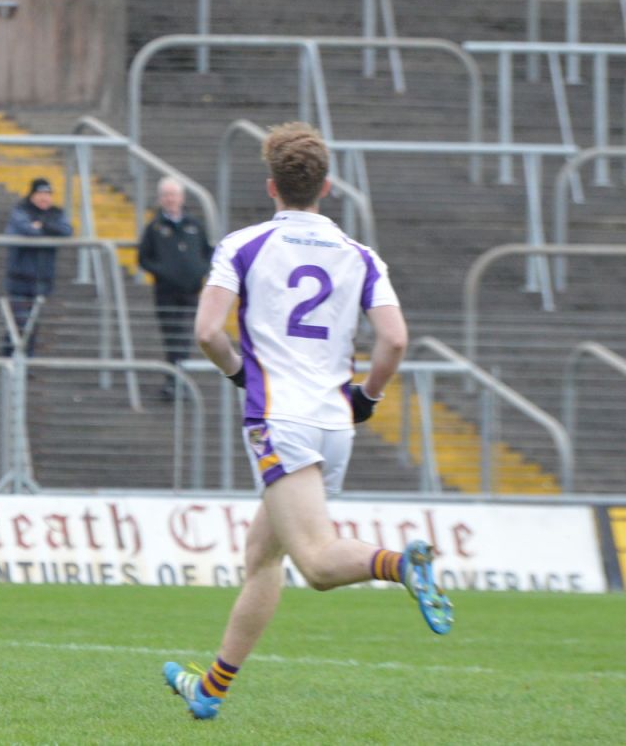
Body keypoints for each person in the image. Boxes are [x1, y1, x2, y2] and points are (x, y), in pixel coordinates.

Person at [162, 122, 451, 722]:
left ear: (272, 187)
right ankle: (210, 690)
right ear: (326, 188)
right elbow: (394, 340)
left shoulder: (244, 245)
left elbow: (207, 332)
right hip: (334, 423)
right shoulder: (360, 256)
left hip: (280, 418)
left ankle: (400, 565)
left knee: (317, 564)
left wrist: (241, 373)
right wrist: (368, 396)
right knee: (263, 556)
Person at [136, 176, 212, 397]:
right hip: (166, 293)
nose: (171, 199)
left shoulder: (194, 225)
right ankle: (174, 379)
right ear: (160, 199)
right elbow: (143, 258)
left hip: (191, 291)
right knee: (171, 336)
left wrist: (199, 270)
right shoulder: (155, 227)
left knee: (185, 335)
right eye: (167, 195)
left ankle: (179, 379)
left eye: (174, 195)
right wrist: (164, 272)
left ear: (181, 198)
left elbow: (207, 252)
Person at [2, 177, 74, 357]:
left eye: (48, 194)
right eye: (40, 194)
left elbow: (66, 230)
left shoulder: (56, 213)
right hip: (20, 279)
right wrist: (47, 230)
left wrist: (43, 226)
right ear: (32, 195)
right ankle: (12, 360)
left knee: (31, 325)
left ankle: (23, 362)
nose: (44, 198)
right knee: (20, 324)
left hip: (42, 280)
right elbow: (26, 229)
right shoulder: (20, 211)